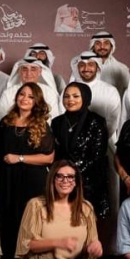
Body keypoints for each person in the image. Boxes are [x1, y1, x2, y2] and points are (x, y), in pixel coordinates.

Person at [15, 161, 105, 259]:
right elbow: (26, 244)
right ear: (52, 179)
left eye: (70, 177)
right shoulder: (36, 205)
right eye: (60, 176)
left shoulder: (85, 207)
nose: (65, 181)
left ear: (76, 182)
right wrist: (57, 243)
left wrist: (96, 246)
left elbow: (93, 240)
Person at [0, 82, 54, 259]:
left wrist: (19, 158)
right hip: (7, 180)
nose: (25, 99)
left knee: (29, 223)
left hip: (31, 181)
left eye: (30, 96)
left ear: (37, 101)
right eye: (22, 94)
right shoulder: (6, 121)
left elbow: (49, 158)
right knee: (7, 223)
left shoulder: (41, 124)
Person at [51, 82, 110, 222]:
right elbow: (55, 153)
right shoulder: (56, 122)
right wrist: (63, 177)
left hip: (89, 183)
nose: (70, 100)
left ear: (85, 98)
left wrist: (72, 175)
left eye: (76, 96)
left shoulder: (97, 121)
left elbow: (97, 156)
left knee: (86, 224)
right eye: (66, 96)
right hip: (61, 183)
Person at [69, 51, 121, 139]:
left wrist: (96, 139)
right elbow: (62, 118)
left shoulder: (110, 91)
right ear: (77, 68)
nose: (86, 68)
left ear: (98, 68)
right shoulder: (68, 90)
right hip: (72, 141)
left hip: (104, 141)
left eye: (90, 64)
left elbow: (113, 121)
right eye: (82, 65)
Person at [0, 57, 61, 122]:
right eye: (24, 69)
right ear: (19, 72)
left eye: (33, 69)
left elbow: (54, 117)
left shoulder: (49, 92)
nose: (28, 73)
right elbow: (3, 116)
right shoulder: (8, 93)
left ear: (39, 72)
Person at [89, 31, 130, 96]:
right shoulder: (82, 68)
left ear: (111, 46)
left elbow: (128, 94)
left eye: (106, 43)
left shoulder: (122, 69)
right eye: (98, 43)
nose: (102, 46)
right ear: (93, 46)